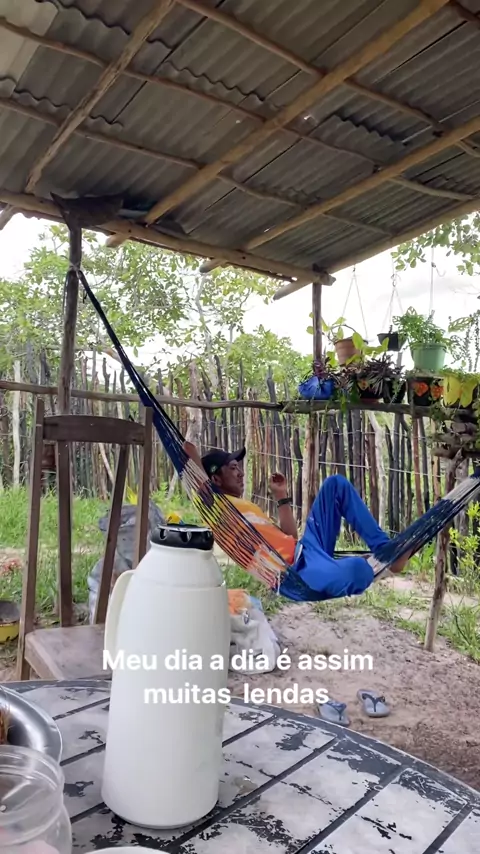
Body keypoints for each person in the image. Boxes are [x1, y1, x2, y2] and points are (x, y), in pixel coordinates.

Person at [183, 443, 410, 601]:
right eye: (233, 468)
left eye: (239, 467)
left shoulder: (244, 507)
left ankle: (384, 551)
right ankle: (377, 565)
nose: (241, 473)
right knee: (358, 570)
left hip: (306, 549)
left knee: (335, 484)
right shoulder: (217, 507)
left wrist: (281, 496)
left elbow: (290, 537)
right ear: (215, 479)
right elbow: (187, 449)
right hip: (297, 574)